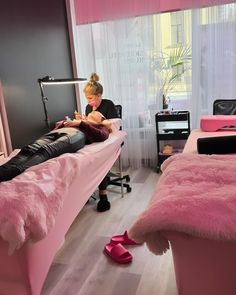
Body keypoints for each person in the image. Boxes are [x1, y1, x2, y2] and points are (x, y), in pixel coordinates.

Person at [0, 111, 111, 183]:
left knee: (45, 151)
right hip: (57, 132)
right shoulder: (79, 120)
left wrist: (80, 123)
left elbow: (102, 136)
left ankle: (8, 174)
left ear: (101, 117)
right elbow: (59, 126)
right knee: (29, 149)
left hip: (76, 135)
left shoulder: (100, 126)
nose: (93, 111)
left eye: (96, 112)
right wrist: (67, 122)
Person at [81, 72, 118, 212]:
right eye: (86, 98)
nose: (88, 101)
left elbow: (115, 127)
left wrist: (100, 120)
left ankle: (103, 197)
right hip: (94, 139)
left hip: (109, 140)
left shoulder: (108, 105)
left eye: (90, 98)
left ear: (99, 95)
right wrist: (83, 120)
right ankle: (85, 193)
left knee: (99, 160)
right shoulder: (88, 108)